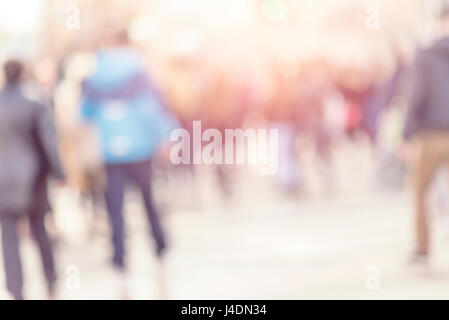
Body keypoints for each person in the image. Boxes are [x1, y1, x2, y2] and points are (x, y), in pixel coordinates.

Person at [80, 30, 178, 274]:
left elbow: (82, 115)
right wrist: (165, 138)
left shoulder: (95, 73)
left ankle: (119, 256)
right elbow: (152, 109)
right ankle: (159, 248)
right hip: (140, 148)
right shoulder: (139, 70)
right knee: (148, 200)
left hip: (110, 151)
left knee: (115, 206)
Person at [0, 59, 64, 299]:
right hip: (33, 180)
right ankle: (50, 280)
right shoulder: (34, 103)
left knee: (9, 239)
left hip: (3, 181)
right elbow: (49, 142)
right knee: (40, 231)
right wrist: (59, 172)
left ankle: (16, 289)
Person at [404, 5, 449, 263]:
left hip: (431, 135)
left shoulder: (426, 54)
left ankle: (423, 247)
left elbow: (417, 96)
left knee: (421, 192)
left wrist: (407, 134)